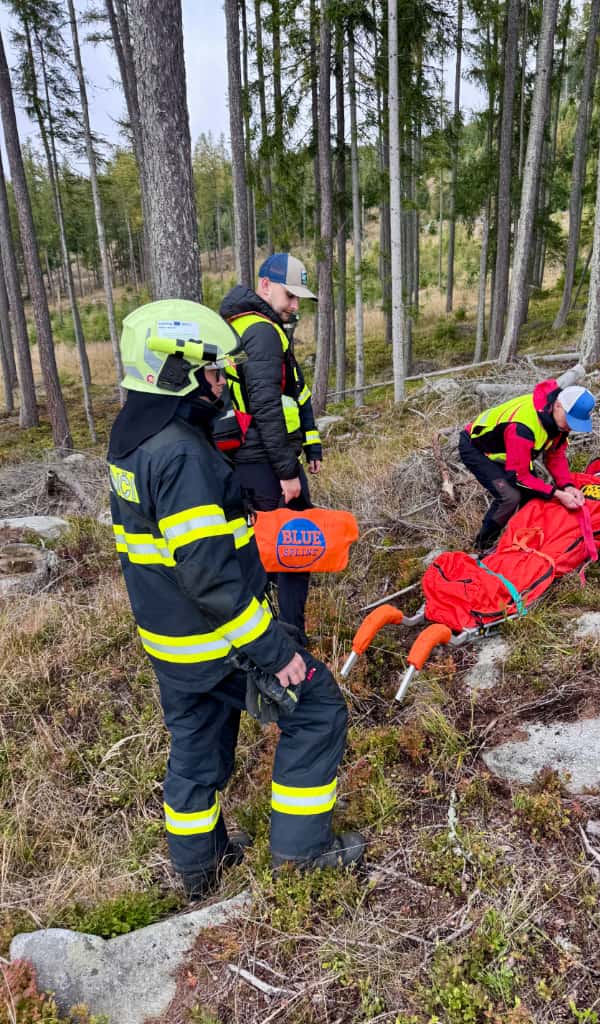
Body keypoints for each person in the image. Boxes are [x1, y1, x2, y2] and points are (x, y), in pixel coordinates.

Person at [107, 299, 363, 900]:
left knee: (195, 745)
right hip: (213, 639)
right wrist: (275, 651)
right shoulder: (181, 457)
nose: (225, 384)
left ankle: (202, 870)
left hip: (168, 641)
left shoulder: (133, 440)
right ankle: (302, 857)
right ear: (182, 371)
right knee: (319, 708)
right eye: (217, 371)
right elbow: (212, 580)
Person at [219, 254, 322, 645]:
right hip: (264, 462)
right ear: (264, 286)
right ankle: (290, 641)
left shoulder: (239, 325)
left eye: (299, 299)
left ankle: (263, 633)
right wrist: (286, 472)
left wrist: (309, 446)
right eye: (289, 295)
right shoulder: (262, 332)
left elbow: (292, 397)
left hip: (248, 459)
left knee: (262, 549)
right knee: (295, 550)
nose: (294, 306)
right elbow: (265, 406)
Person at [459, 379, 596, 551]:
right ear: (559, 405)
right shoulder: (523, 428)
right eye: (570, 419)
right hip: (477, 448)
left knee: (533, 497)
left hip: (511, 452)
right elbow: (520, 477)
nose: (571, 426)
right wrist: (557, 494)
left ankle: (520, 542)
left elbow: (555, 455)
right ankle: (482, 545)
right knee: (510, 497)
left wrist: (567, 486)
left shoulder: (557, 421)